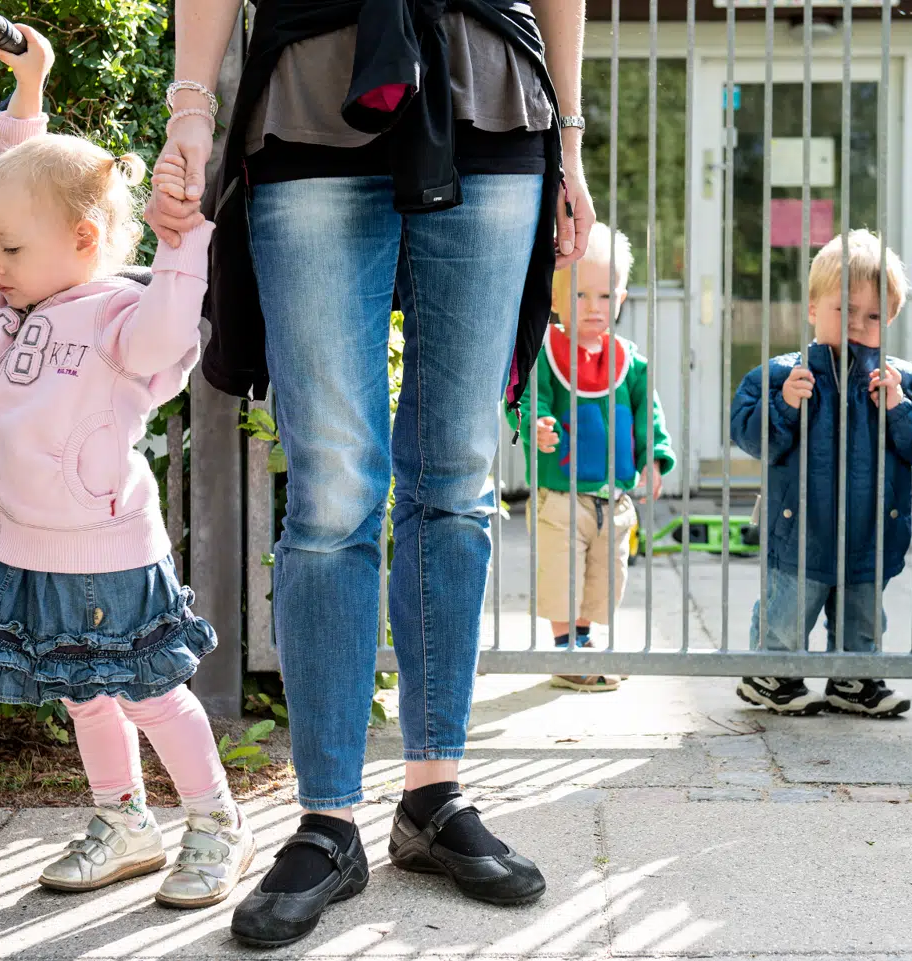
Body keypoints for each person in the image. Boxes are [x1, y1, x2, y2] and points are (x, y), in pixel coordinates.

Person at [143, 0, 595, 947]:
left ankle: (433, 796)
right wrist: (192, 106)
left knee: (459, 477)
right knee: (334, 487)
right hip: (311, 95)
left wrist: (574, 138)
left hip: (494, 100)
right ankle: (329, 820)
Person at [0, 27, 252, 907]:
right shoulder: (20, 292)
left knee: (149, 694)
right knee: (81, 692)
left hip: (108, 546)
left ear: (80, 239)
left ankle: (216, 821)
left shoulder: (115, 316)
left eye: (8, 250)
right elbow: (21, 180)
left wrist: (181, 247)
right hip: (28, 540)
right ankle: (124, 818)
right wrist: (29, 94)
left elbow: (169, 334)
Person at [732, 230, 912, 718]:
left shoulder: (903, 381)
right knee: (789, 606)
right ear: (812, 308)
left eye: (873, 316)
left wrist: (900, 407)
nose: (857, 324)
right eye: (844, 310)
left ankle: (855, 677)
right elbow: (749, 434)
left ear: (889, 319)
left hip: (872, 527)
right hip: (800, 527)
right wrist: (785, 404)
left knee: (863, 611)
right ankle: (770, 671)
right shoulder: (781, 374)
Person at [509, 223, 675, 693]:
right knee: (563, 571)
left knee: (605, 575)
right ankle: (565, 649)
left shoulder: (628, 360)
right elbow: (529, 398)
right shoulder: (547, 353)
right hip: (560, 494)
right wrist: (535, 425)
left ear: (620, 298)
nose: (593, 308)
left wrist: (654, 457)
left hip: (612, 497)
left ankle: (583, 642)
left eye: (604, 296)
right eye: (580, 295)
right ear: (557, 299)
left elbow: (649, 415)